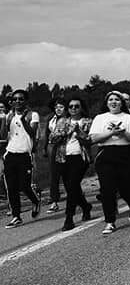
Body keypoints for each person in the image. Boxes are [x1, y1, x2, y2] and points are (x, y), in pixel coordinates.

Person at [89, 91, 130, 235]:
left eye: (117, 100)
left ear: (122, 103)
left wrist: (123, 133)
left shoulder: (129, 118)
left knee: (127, 188)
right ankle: (110, 221)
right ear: (106, 103)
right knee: (107, 190)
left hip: (125, 154)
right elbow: (93, 138)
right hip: (106, 155)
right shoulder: (100, 118)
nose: (114, 102)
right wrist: (111, 134)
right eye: (111, 100)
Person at [48, 97, 94, 231]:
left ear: (82, 108)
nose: (73, 109)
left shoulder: (87, 122)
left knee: (73, 184)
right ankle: (85, 206)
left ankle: (69, 218)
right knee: (70, 187)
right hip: (63, 157)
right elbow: (52, 138)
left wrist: (79, 132)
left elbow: (90, 140)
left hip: (80, 157)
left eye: (76, 106)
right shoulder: (63, 121)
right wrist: (66, 132)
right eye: (71, 106)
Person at [2, 89, 42, 228]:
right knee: (11, 187)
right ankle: (16, 216)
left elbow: (32, 132)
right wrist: (3, 120)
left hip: (25, 154)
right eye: (15, 99)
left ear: (25, 101)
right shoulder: (9, 115)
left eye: (21, 99)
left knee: (24, 186)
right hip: (10, 153)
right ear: (12, 102)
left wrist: (24, 119)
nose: (18, 101)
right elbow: (3, 135)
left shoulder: (33, 115)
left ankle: (35, 201)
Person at [42, 98, 67, 213]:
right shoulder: (51, 119)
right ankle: (54, 201)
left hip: (65, 148)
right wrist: (44, 148)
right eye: (56, 107)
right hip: (53, 148)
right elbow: (47, 134)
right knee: (54, 175)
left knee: (68, 175)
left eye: (61, 107)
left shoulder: (68, 119)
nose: (58, 109)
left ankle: (76, 197)